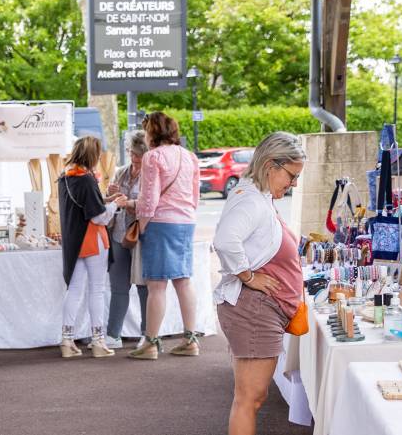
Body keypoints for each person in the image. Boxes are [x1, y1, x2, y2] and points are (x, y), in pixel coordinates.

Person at [213, 132, 305, 435]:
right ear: (270, 166)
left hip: (259, 310)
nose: (292, 184)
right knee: (249, 399)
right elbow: (225, 241)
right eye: (291, 176)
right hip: (254, 310)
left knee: (251, 397)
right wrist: (248, 276)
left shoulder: (257, 194)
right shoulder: (251, 200)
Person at [129, 112, 202, 360]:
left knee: (157, 286)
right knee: (184, 281)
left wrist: (142, 226)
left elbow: (149, 200)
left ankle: (150, 343)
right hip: (186, 221)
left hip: (161, 223)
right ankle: (190, 338)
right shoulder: (189, 156)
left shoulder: (153, 157)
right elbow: (195, 196)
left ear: (153, 132)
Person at [57, 136, 123, 358]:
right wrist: (116, 204)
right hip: (93, 241)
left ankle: (66, 340)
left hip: (73, 242)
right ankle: (98, 341)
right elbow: (99, 218)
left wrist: (105, 199)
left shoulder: (65, 178)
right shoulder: (87, 180)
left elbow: (83, 207)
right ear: (93, 156)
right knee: (97, 290)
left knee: (73, 290)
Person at [107, 130, 150, 349]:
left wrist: (129, 202)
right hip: (118, 234)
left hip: (141, 235)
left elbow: (150, 204)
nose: (134, 158)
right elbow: (109, 201)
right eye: (132, 152)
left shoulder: (151, 175)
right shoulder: (121, 172)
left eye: (139, 154)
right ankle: (112, 334)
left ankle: (147, 333)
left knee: (143, 286)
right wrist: (111, 194)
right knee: (118, 286)